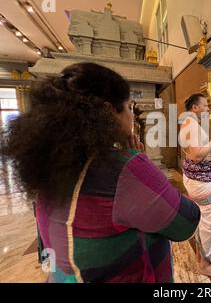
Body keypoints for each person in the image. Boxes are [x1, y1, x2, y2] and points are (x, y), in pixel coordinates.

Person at [2, 62, 200, 283]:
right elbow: (187, 221)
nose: (132, 117)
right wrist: (141, 161)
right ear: (108, 113)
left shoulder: (53, 165)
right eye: (129, 108)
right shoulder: (123, 168)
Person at [179, 93, 211, 280]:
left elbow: (197, 151)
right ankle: (205, 264)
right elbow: (196, 155)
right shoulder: (190, 124)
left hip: (197, 181)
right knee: (209, 223)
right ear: (195, 108)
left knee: (204, 220)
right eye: (206, 106)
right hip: (200, 183)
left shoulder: (188, 123)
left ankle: (203, 259)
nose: (208, 109)